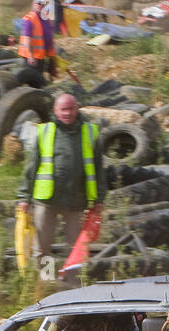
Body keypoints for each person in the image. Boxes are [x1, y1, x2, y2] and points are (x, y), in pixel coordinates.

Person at [17, 93, 106, 266]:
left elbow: (98, 168)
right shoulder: (45, 132)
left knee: (77, 249)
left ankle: (73, 287)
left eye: (71, 108)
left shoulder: (90, 132)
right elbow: (31, 167)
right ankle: (46, 284)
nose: (67, 113)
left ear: (77, 108)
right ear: (55, 111)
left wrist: (99, 199)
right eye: (63, 109)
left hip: (76, 200)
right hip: (46, 200)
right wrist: (24, 197)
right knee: (42, 248)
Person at [18, 0, 57, 80]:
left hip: (41, 56)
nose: (40, 6)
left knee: (39, 80)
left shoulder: (45, 18)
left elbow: (50, 35)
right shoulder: (29, 19)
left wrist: (52, 57)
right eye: (38, 3)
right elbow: (27, 39)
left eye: (42, 4)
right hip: (32, 58)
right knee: (33, 81)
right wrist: (30, 56)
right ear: (33, 4)